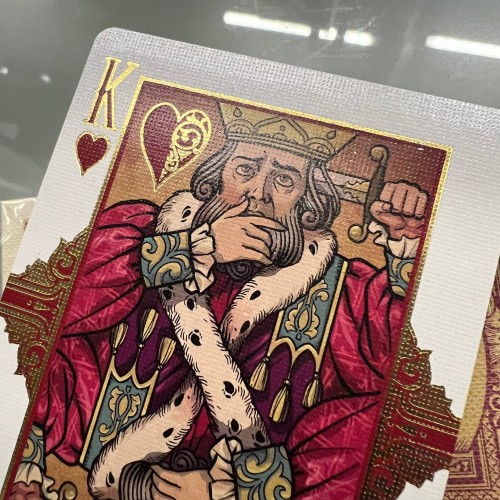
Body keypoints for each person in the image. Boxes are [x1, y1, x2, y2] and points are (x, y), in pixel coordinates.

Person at [12, 104, 428, 500]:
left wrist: (409, 246)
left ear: (307, 202)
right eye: (245, 169)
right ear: (216, 175)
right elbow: (47, 301)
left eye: (285, 180)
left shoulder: (345, 294)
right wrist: (191, 250)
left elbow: (402, 402)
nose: (257, 194)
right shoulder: (139, 235)